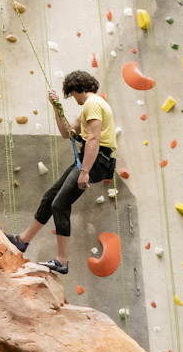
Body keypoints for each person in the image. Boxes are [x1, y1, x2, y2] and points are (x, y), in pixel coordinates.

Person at [6, 69, 117, 276]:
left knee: (60, 204)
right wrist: (57, 108)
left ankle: (62, 261)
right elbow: (67, 132)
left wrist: (85, 172)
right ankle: (23, 241)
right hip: (90, 160)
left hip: (95, 160)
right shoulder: (90, 107)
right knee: (50, 197)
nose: (73, 99)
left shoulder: (93, 104)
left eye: (72, 94)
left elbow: (94, 138)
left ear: (78, 89)